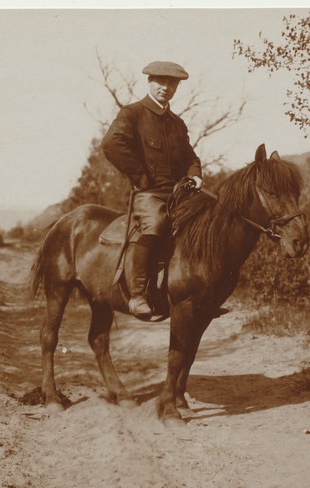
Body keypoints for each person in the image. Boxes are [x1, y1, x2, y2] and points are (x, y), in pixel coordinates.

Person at [101, 60, 203, 317]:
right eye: (160, 82)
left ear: (177, 88)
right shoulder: (133, 113)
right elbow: (112, 145)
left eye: (172, 84)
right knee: (156, 224)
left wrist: (195, 175)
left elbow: (191, 157)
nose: (165, 88)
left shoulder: (177, 123)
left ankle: (200, 293)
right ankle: (137, 296)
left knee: (206, 222)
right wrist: (141, 178)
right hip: (149, 194)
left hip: (180, 193)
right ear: (149, 82)